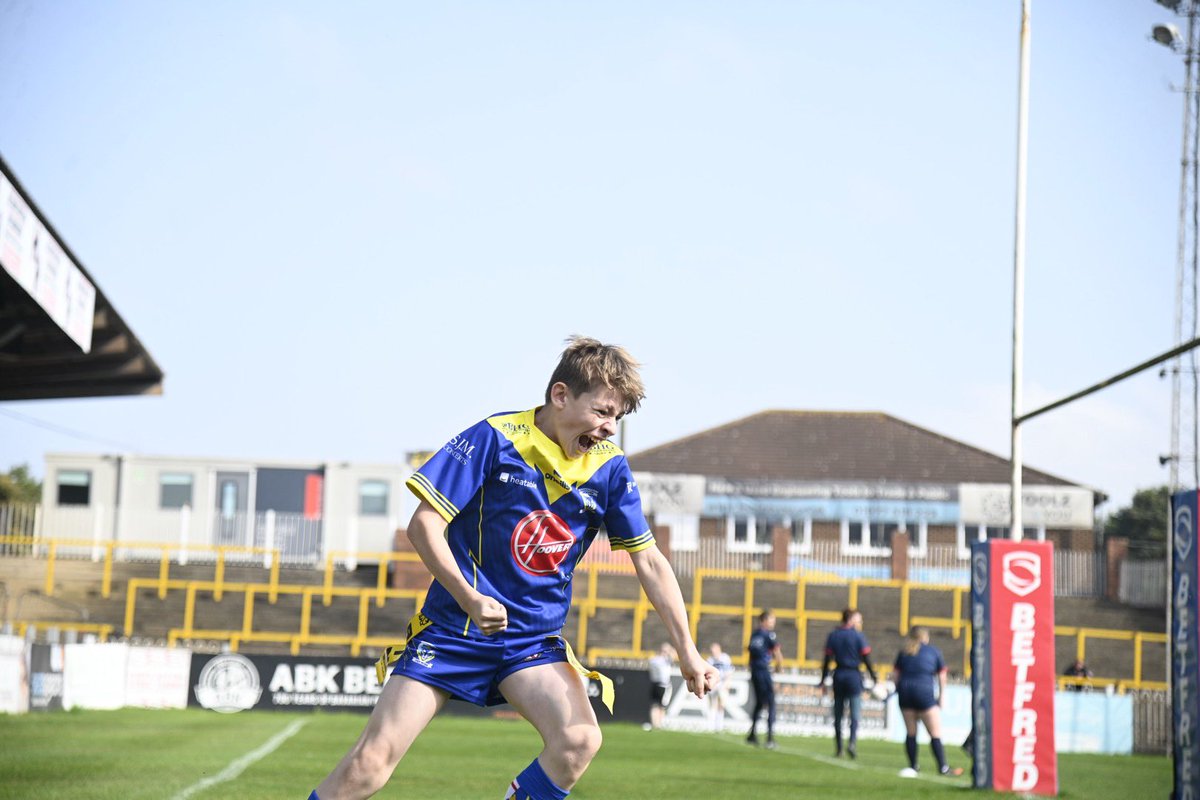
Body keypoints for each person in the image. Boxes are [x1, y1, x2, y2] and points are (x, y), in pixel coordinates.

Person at [309, 336, 718, 800]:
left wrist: (688, 651)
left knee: (579, 740)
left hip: (530, 643)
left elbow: (649, 560)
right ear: (560, 395)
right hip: (452, 632)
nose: (609, 429)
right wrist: (470, 597)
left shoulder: (609, 469)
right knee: (367, 766)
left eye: (617, 419)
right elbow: (424, 525)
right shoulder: (495, 437)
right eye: (603, 412)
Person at [892, 626, 962, 776]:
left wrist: (898, 690)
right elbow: (942, 676)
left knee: (911, 732)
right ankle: (943, 767)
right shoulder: (933, 651)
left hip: (905, 691)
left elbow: (896, 675)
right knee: (934, 732)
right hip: (923, 691)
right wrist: (942, 697)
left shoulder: (904, 651)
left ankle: (913, 766)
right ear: (926, 637)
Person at [820, 608, 876, 759]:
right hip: (853, 675)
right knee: (855, 713)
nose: (860, 622)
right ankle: (852, 743)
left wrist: (823, 679)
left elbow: (827, 659)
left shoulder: (833, 635)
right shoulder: (858, 636)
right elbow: (866, 658)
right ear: (850, 619)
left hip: (839, 675)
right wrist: (874, 677)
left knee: (838, 714)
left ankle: (839, 747)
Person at [746, 609, 784, 748]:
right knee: (771, 703)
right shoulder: (769, 635)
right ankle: (769, 738)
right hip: (763, 671)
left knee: (760, 703)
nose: (773, 623)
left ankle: (752, 733)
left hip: (755, 671)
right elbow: (777, 653)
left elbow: (750, 654)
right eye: (771, 620)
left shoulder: (754, 634)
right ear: (764, 620)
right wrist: (779, 667)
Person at [646, 643, 676, 730]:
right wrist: (670, 651)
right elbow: (673, 655)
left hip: (655, 684)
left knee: (655, 705)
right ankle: (658, 724)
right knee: (661, 706)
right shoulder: (664, 660)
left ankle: (655, 724)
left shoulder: (653, 659)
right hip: (663, 685)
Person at [706, 641, 734, 732]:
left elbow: (729, 671)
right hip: (714, 684)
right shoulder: (710, 660)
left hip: (722, 683)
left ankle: (719, 725)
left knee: (721, 704)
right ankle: (711, 725)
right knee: (713, 704)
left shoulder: (725, 658)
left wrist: (727, 683)